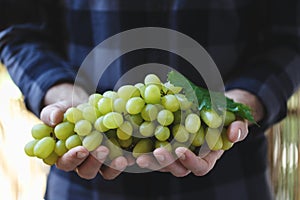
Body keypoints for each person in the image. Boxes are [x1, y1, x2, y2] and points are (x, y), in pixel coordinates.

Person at [1, 0, 300, 199]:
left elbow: (290, 38)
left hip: (229, 181)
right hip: (85, 183)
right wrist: (59, 90)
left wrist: (243, 100)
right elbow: (17, 29)